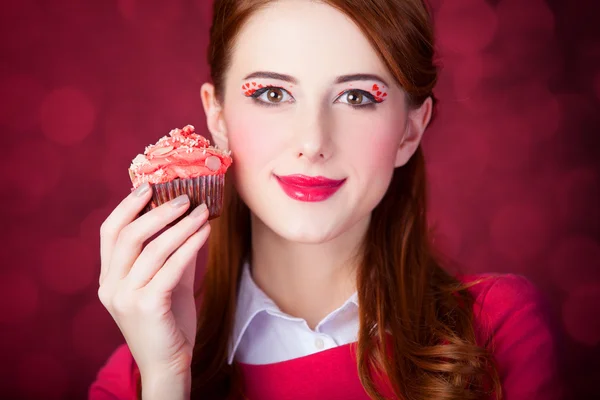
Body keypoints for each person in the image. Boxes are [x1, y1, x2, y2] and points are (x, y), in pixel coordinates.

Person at [90, 0, 563, 399]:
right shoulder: (138, 377)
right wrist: (168, 379)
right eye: (273, 93)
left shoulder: (497, 330)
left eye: (357, 97)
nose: (314, 142)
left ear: (410, 130)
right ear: (217, 116)